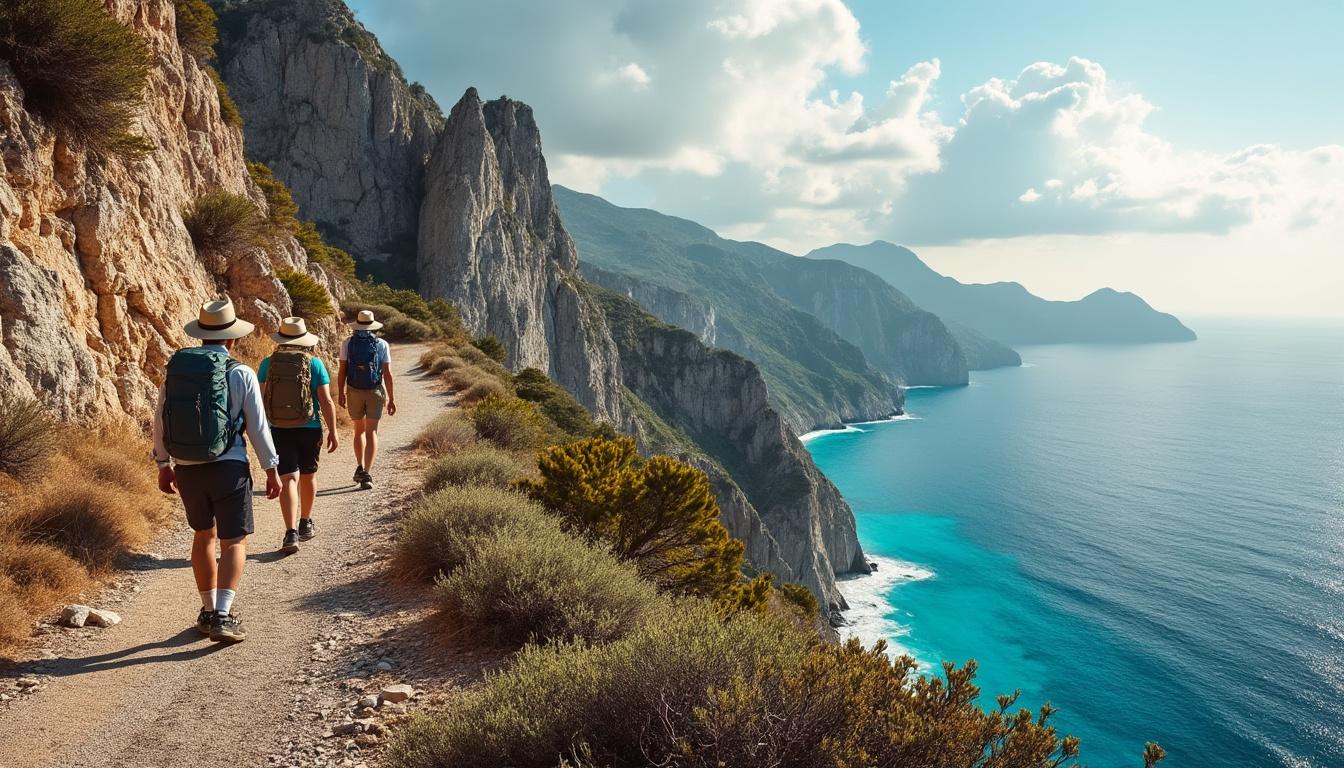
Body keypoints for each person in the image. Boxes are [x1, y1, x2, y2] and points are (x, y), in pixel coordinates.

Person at [153, 298, 281, 644]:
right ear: (232, 339)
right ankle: (224, 615)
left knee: (203, 536)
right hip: (229, 468)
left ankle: (207, 612)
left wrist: (164, 464)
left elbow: (160, 420)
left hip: (188, 470)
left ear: (202, 335)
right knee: (234, 540)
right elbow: (257, 426)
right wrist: (271, 467)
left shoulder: (176, 372)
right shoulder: (241, 373)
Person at [257, 317, 339, 554]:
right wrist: (333, 431)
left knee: (287, 478)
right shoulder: (315, 364)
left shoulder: (267, 364)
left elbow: (260, 401)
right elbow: (326, 400)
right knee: (308, 475)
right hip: (310, 428)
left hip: (278, 429)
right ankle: (305, 522)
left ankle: (290, 532)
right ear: (304, 340)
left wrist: (262, 432)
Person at [337, 310, 396, 489]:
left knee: (359, 431)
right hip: (375, 391)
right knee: (372, 432)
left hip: (354, 391)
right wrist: (392, 398)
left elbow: (342, 371)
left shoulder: (347, 343)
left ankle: (360, 466)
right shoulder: (382, 344)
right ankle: (367, 473)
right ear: (373, 325)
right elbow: (387, 374)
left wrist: (341, 392)